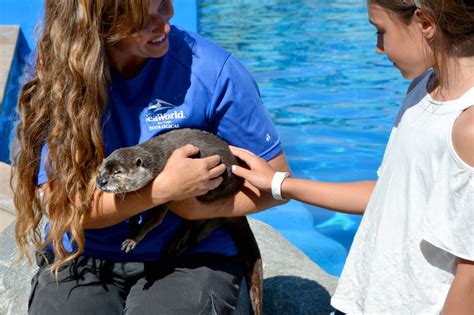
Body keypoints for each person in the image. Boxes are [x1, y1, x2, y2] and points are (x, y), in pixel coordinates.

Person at [12, 0, 290, 314]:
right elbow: (60, 204)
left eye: (165, 6)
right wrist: (161, 192)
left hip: (191, 256)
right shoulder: (56, 71)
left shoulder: (212, 70)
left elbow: (277, 183)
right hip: (85, 251)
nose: (164, 25)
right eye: (143, 18)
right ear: (100, 21)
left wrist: (198, 210)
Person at [230, 0, 474, 313]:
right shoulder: (422, 90)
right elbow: (389, 194)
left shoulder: (466, 125)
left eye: (381, 31)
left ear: (425, 23)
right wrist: (279, 183)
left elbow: (469, 270)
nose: (378, 48)